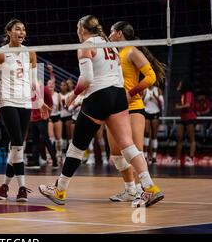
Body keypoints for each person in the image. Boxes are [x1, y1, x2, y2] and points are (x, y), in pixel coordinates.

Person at [38, 15, 163, 208]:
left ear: (81, 30)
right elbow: (116, 75)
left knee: (77, 146)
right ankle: (150, 187)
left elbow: (87, 78)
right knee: (127, 146)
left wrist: (73, 96)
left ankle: (60, 189)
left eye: (77, 29)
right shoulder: (111, 46)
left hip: (99, 96)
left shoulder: (86, 46)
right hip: (118, 95)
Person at [0, 18, 50, 202]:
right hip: (7, 101)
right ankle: (22, 187)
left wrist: (40, 101)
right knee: (17, 143)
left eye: (23, 29)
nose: (21, 32)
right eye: (17, 29)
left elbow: (34, 82)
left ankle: (4, 187)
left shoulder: (30, 53)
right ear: (9, 32)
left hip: (25, 103)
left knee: (16, 146)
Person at [107, 21, 166, 202]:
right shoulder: (115, 54)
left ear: (119, 34)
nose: (109, 36)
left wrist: (131, 92)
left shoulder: (132, 51)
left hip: (132, 107)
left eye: (111, 32)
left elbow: (151, 77)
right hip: (114, 109)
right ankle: (130, 190)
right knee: (117, 154)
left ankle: (144, 190)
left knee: (135, 151)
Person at [27, 82, 58, 169]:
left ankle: (55, 161)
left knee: (46, 140)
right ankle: (36, 163)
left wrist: (48, 115)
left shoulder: (43, 88)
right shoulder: (28, 89)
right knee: (35, 141)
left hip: (42, 118)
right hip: (33, 119)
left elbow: (50, 103)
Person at [175, 80, 197, 166]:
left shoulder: (189, 93)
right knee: (179, 137)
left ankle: (191, 159)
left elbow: (188, 105)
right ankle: (177, 159)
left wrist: (178, 107)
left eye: (180, 84)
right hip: (183, 117)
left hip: (190, 117)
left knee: (191, 139)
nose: (179, 84)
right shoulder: (183, 94)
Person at [143, 85, 164, 164]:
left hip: (155, 112)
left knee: (154, 135)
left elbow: (162, 103)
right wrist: (144, 98)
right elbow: (141, 102)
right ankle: (145, 156)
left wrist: (155, 96)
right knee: (146, 133)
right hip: (147, 112)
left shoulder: (158, 90)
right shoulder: (145, 90)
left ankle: (154, 157)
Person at [46, 65, 63, 162]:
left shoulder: (58, 95)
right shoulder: (45, 95)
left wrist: (51, 71)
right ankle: (49, 156)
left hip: (57, 116)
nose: (51, 85)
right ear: (47, 86)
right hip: (49, 118)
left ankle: (59, 155)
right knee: (51, 138)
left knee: (59, 139)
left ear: (54, 86)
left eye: (52, 84)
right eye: (49, 84)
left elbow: (61, 108)